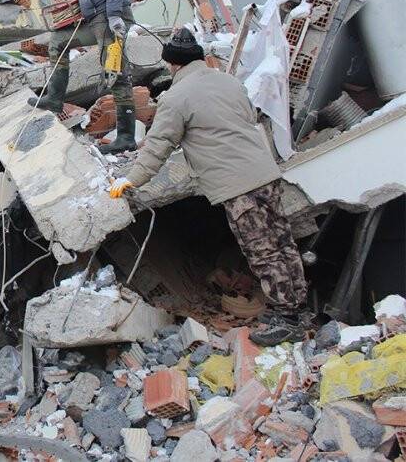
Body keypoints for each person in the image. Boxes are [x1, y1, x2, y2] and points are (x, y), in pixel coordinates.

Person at [109, 28, 308, 345]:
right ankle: (296, 305)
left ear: (173, 65)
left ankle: (288, 318)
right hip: (265, 174)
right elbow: (246, 116)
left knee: (263, 252)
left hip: (237, 185)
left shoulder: (177, 97)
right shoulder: (229, 81)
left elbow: (159, 146)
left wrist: (131, 178)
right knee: (282, 241)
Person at [33, 0, 137, 155]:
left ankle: (126, 137)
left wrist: (114, 16)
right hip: (96, 20)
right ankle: (55, 98)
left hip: (110, 20)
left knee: (116, 73)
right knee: (59, 41)